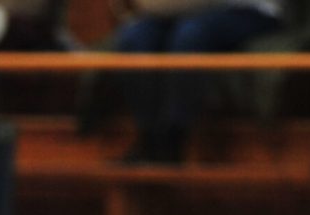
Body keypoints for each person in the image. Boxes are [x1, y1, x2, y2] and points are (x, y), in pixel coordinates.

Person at [107, 0, 287, 164]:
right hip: (176, 11)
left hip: (247, 10)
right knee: (134, 38)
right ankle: (148, 140)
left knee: (190, 35)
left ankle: (172, 142)